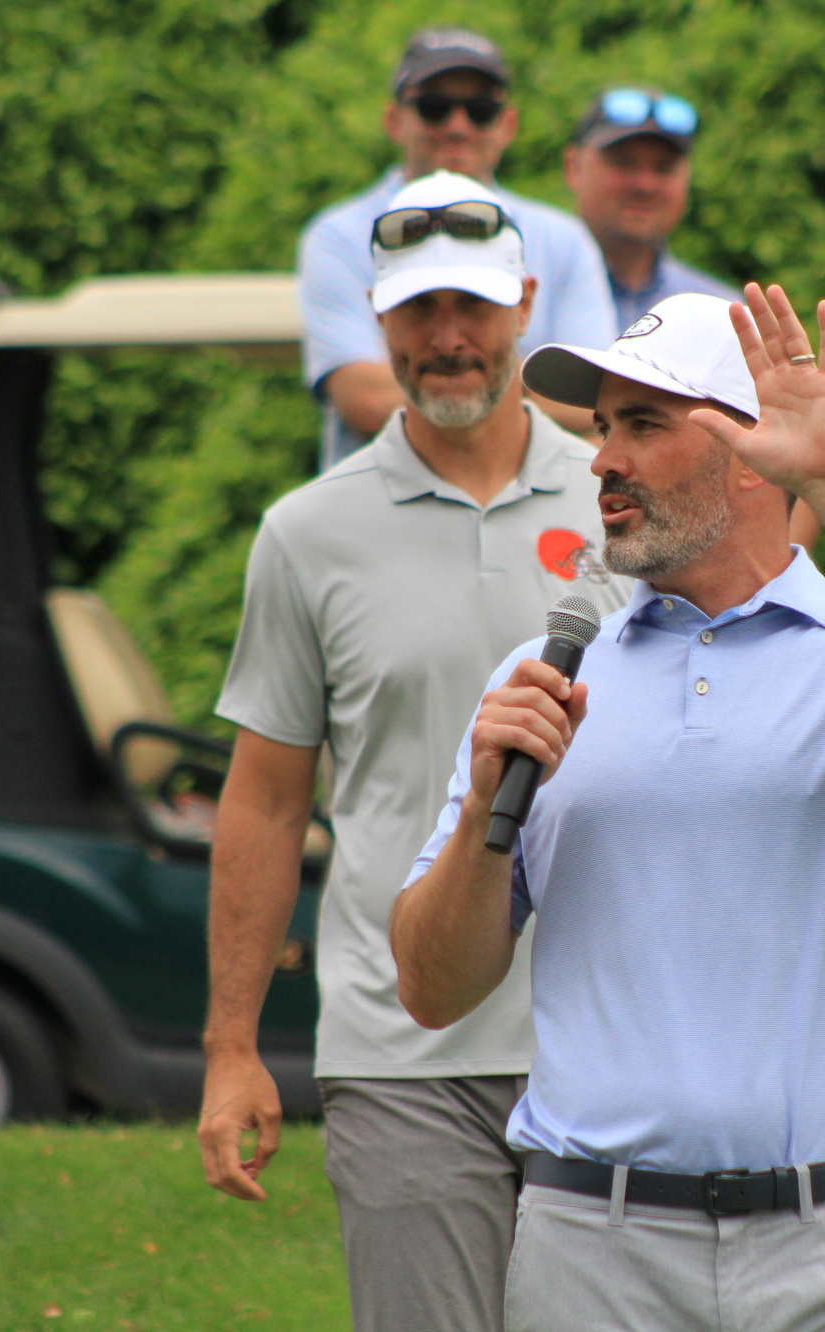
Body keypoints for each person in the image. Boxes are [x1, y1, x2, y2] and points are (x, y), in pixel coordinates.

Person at [391, 286, 825, 1331]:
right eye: (602, 427)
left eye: (644, 425)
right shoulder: (540, 678)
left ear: (753, 454)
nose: (601, 459)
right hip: (587, 1249)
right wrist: (483, 806)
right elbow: (429, 988)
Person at [198, 171, 629, 1332]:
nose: (448, 340)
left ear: (527, 306)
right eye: (418, 312)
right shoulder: (305, 532)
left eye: (474, 309)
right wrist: (231, 1047)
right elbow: (265, 801)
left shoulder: (621, 505)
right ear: (374, 320)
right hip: (401, 1052)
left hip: (608, 1045)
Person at [298, 26, 618, 469]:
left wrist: (450, 379)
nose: (457, 125)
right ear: (394, 120)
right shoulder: (337, 235)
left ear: (508, 124)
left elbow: (597, 401)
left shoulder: (563, 238)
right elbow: (366, 401)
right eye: (434, 107)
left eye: (481, 109)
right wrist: (507, 374)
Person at [562, 86, 741, 330]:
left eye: (664, 167)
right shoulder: (522, 290)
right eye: (623, 162)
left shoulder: (724, 317)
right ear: (574, 168)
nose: (644, 185)